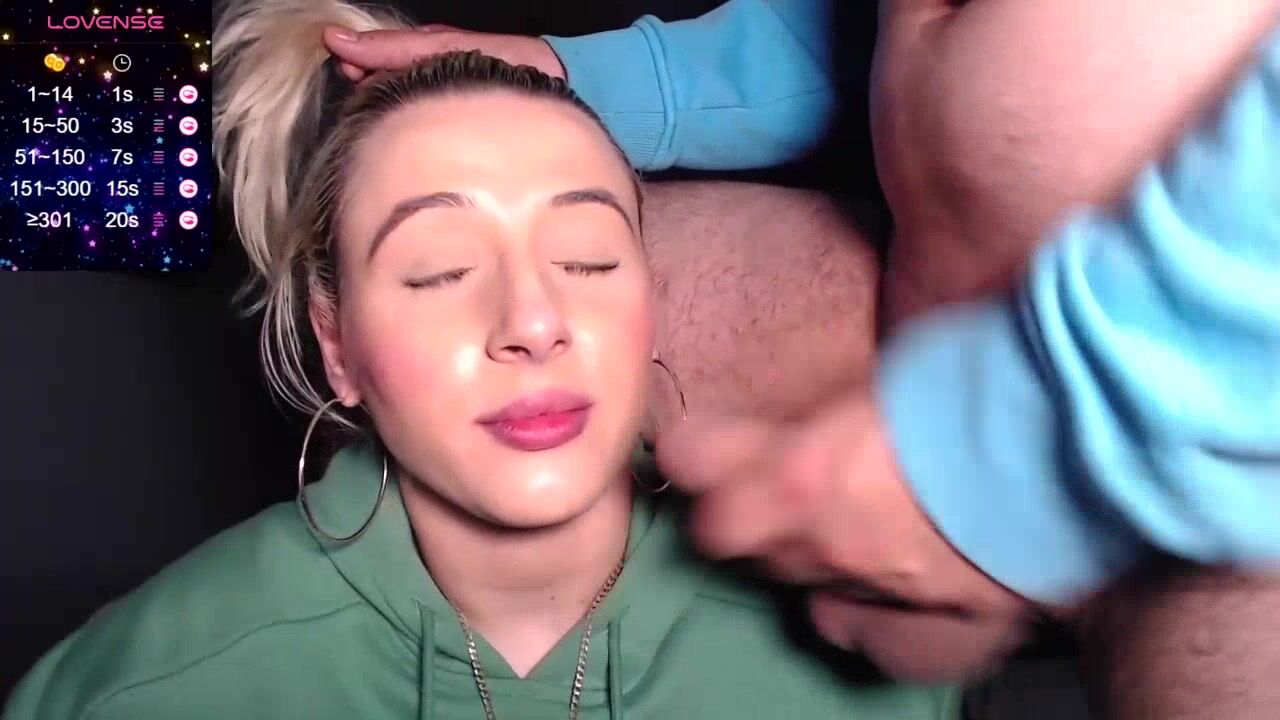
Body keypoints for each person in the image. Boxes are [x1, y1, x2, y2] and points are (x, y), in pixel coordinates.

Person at [2, 1, 964, 718]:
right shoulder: (145, 692)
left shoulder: (880, 661)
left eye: (587, 259)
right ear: (336, 343)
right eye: (439, 271)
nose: (534, 322)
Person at [321, 0, 1280, 707]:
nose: (530, 323)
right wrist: (590, 79)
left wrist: (1017, 455)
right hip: (961, 316)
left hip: (1226, 423)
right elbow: (868, 29)